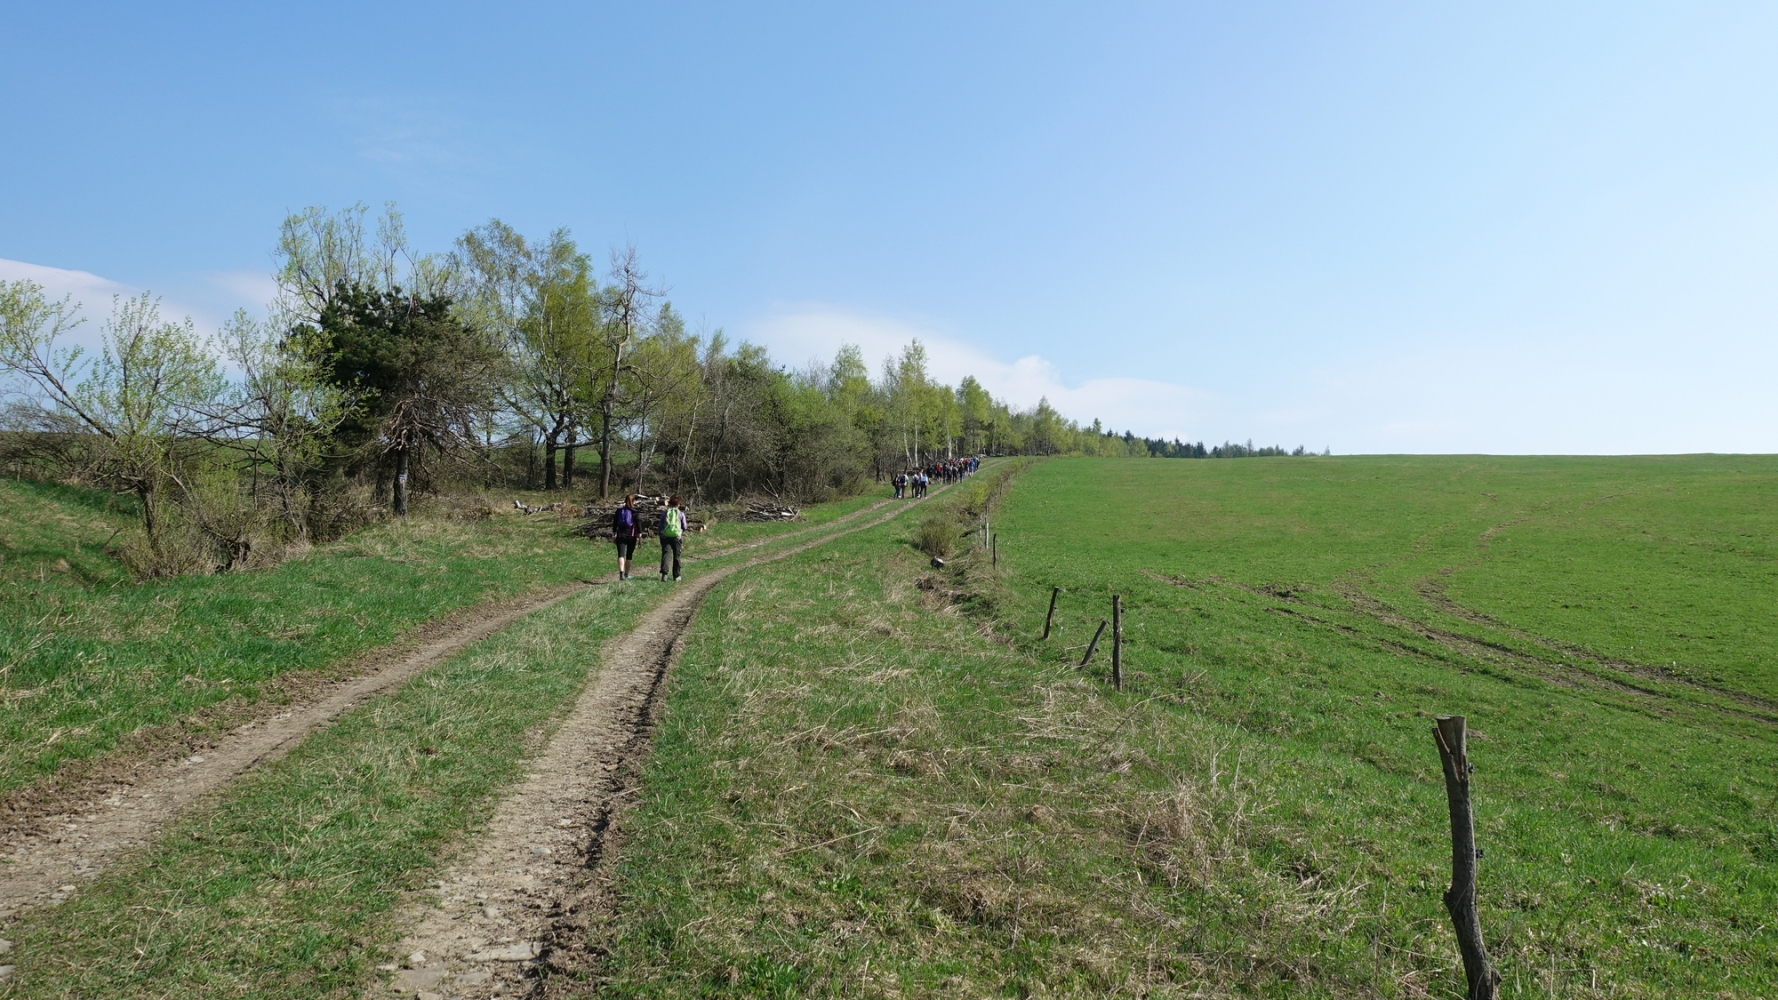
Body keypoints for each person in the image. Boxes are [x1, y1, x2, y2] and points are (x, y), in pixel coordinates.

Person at [612, 495, 641, 580]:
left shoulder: (619, 511)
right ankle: (626, 574)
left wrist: (614, 535)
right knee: (629, 556)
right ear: (633, 502)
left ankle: (621, 573)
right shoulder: (635, 512)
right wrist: (640, 539)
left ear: (625, 501)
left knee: (621, 555)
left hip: (620, 535)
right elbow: (639, 527)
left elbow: (615, 524)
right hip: (632, 536)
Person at [659, 495, 687, 582]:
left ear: (670, 504)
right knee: (676, 556)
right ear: (678, 504)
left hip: (665, 537)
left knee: (666, 554)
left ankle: (664, 574)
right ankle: (676, 576)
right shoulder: (681, 514)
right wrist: (680, 531)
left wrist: (661, 534)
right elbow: (685, 526)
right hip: (676, 537)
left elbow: (660, 525)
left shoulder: (665, 513)